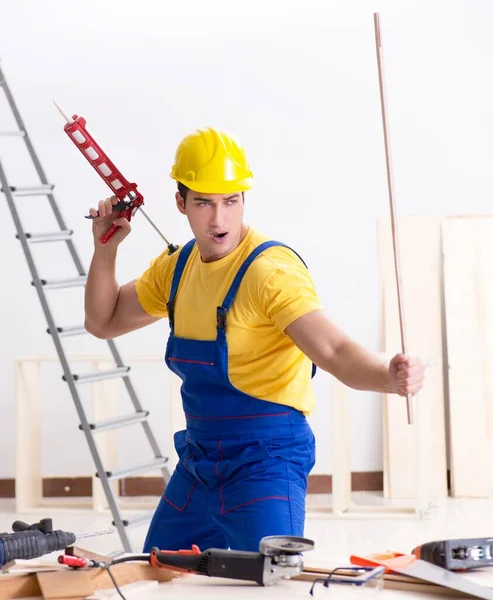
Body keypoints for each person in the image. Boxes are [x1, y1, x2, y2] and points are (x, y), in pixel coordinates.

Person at [84, 126, 425, 553]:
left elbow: (333, 350)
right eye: (204, 203)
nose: (219, 219)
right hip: (200, 461)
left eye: (231, 201)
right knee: (159, 573)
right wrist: (105, 250)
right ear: (181, 203)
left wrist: (388, 375)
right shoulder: (177, 267)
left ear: (244, 199)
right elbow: (104, 322)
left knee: (271, 582)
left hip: (266, 459)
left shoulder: (269, 271)